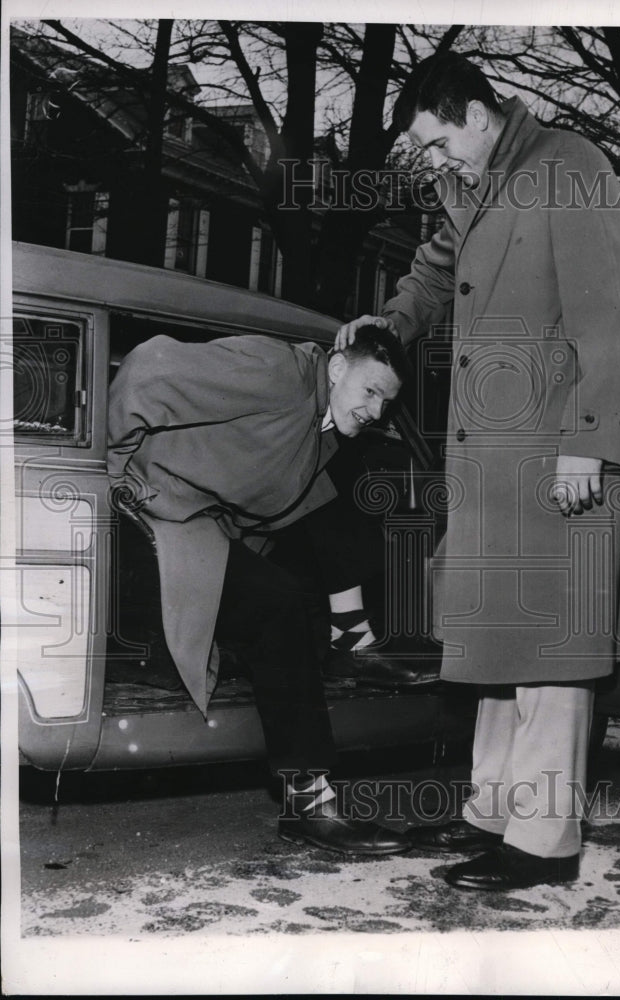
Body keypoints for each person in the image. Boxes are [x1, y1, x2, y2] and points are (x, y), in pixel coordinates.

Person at [337, 53, 620, 890]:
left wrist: (590, 441)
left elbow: (614, 312)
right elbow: (435, 272)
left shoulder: (569, 167)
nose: (433, 162)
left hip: (555, 446)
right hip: (491, 452)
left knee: (551, 647)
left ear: (476, 112)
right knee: (497, 643)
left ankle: (544, 842)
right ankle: (491, 814)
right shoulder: (471, 186)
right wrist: (388, 326)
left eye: (438, 143)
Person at [107, 324, 415, 855]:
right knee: (279, 605)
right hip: (157, 514)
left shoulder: (324, 426)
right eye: (370, 391)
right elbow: (147, 366)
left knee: (337, 500)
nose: (376, 412)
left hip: (205, 519)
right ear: (337, 367)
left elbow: (286, 502)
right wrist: (117, 469)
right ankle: (310, 805)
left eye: (386, 403)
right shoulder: (280, 372)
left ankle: (351, 638)